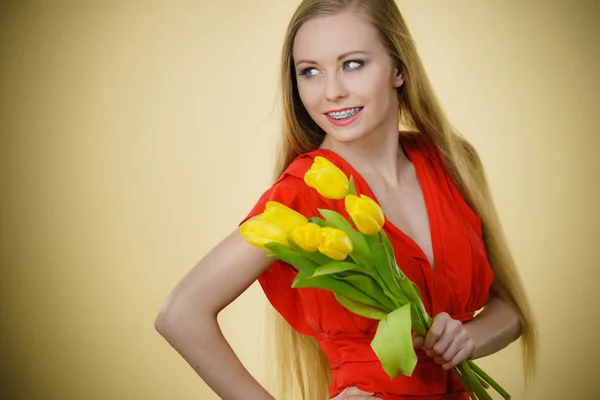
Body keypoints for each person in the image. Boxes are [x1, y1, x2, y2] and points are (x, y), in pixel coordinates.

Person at [154, 0, 538, 399]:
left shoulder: (454, 162)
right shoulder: (302, 194)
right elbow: (180, 315)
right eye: (310, 72)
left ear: (398, 69)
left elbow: (510, 308)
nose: (332, 92)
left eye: (352, 64)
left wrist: (469, 337)